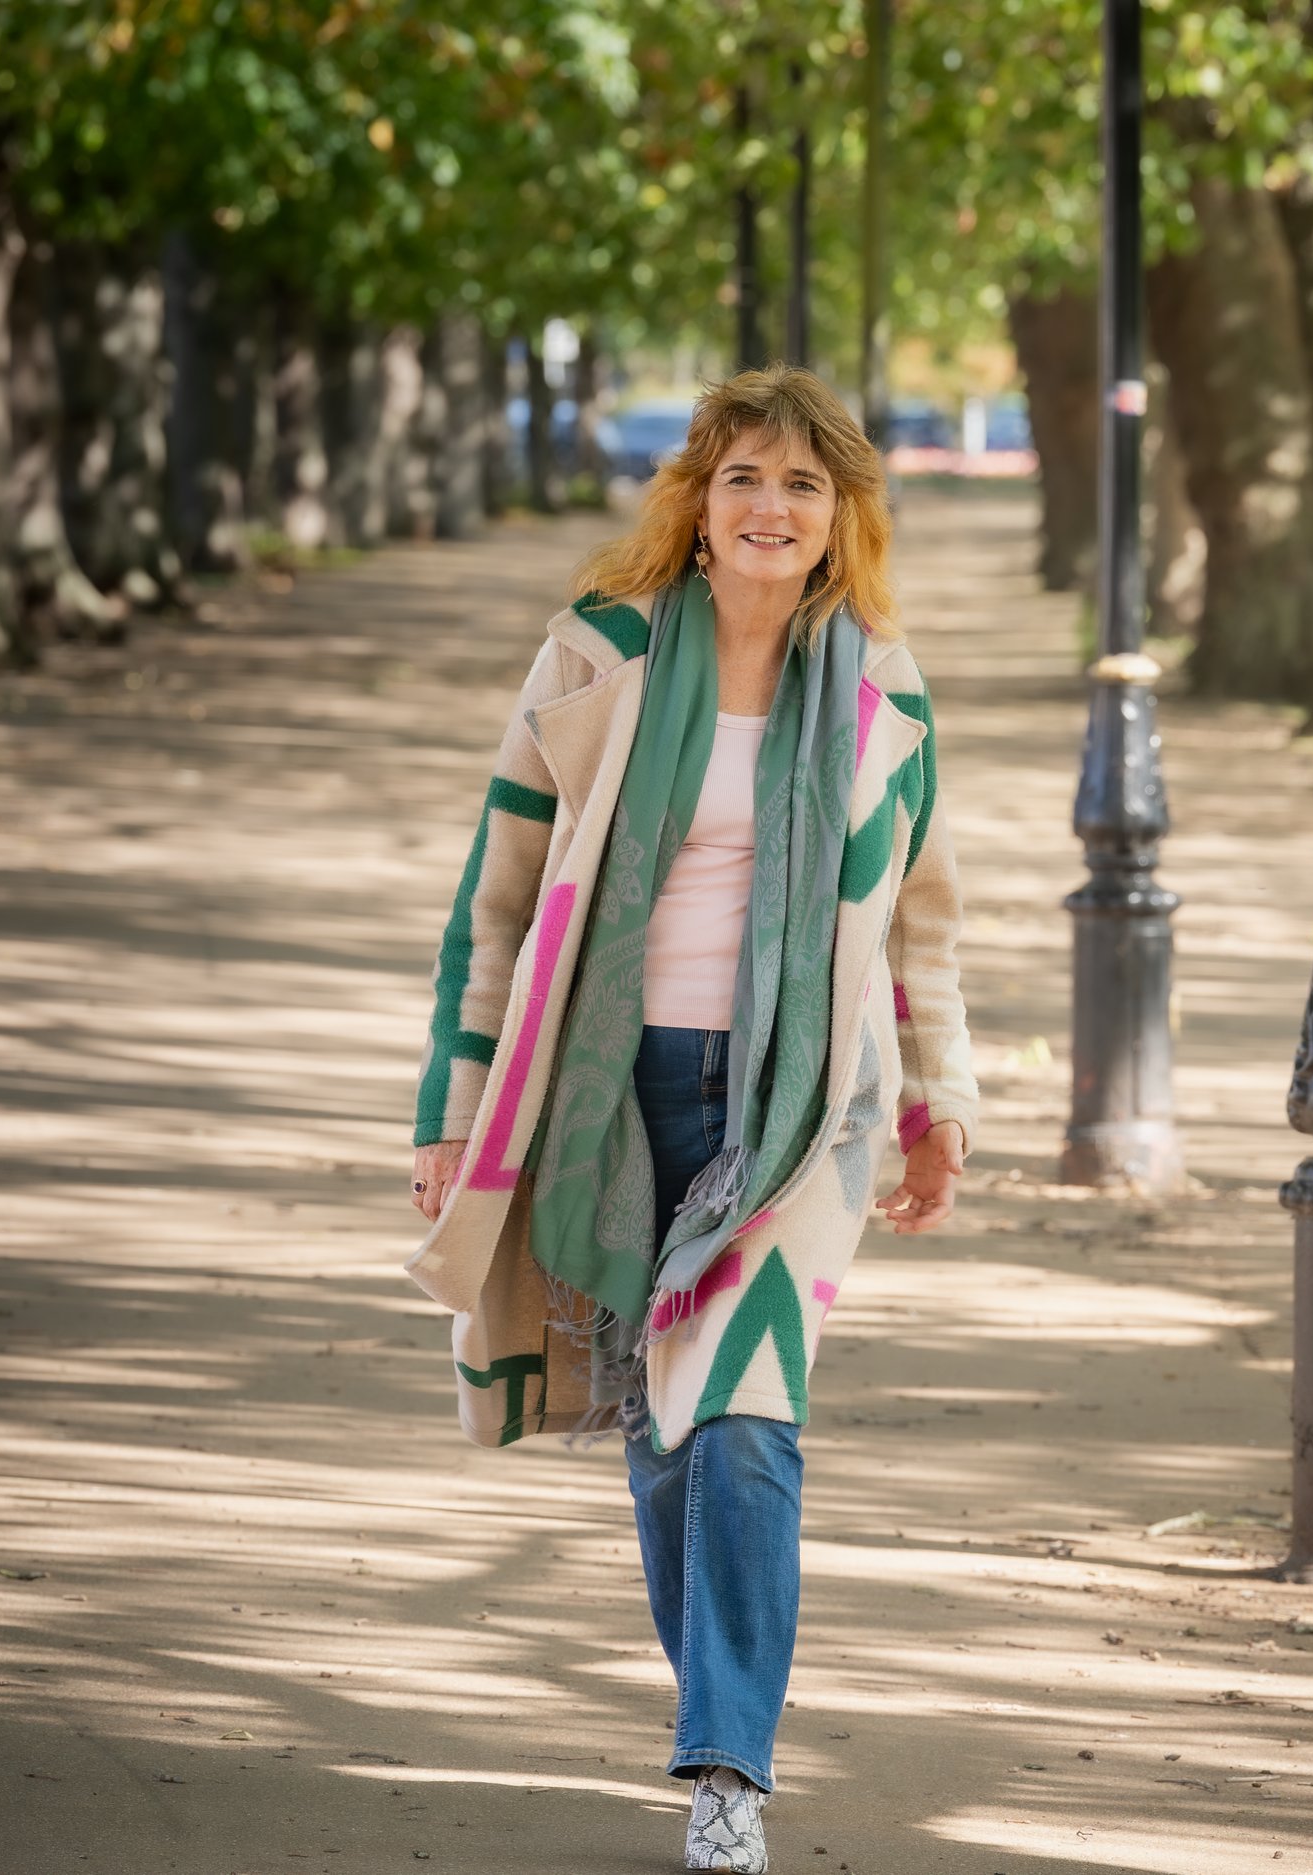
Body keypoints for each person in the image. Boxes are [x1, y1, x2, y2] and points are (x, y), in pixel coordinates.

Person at [404, 366, 980, 1872]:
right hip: (611, 1088)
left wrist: (941, 1099)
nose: (771, 508)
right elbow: (499, 900)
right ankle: (716, 1710)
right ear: (700, 506)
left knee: (740, 1413)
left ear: (841, 514)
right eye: (743, 480)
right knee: (663, 1425)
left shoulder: (880, 689)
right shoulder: (596, 660)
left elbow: (923, 922)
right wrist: (452, 1109)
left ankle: (730, 1767)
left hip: (800, 1104)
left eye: (802, 485)